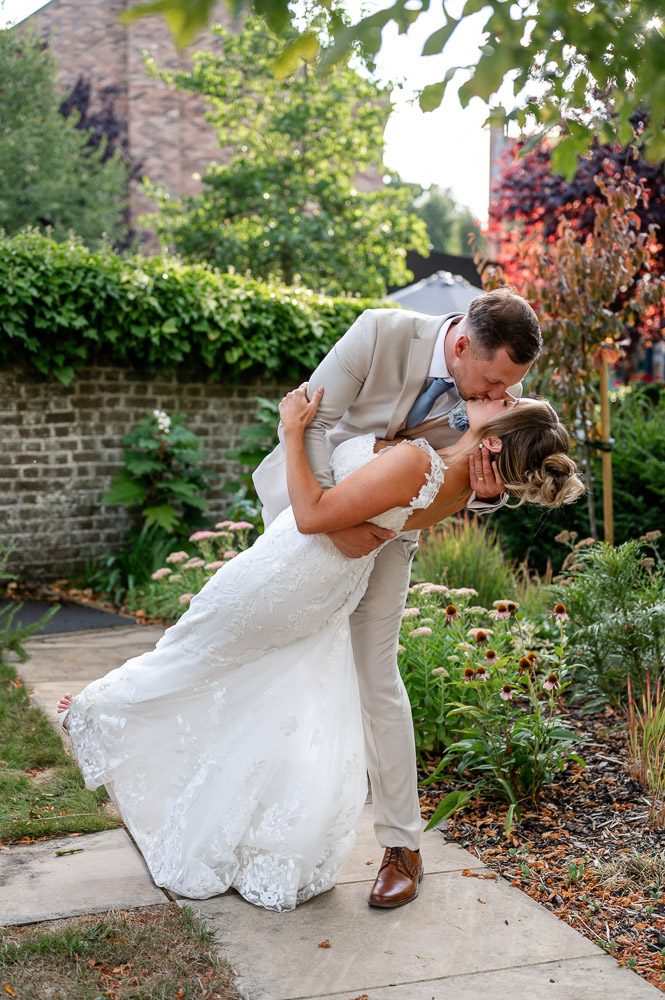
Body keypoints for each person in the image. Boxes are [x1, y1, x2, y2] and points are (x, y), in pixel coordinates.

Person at [57, 385, 583, 913]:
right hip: (327, 580)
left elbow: (310, 515)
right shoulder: (460, 484)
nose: (504, 394)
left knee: (193, 651)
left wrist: (290, 430)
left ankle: (96, 712)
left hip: (290, 571)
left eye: (509, 404)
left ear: (493, 444)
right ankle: (229, 814)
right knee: (244, 675)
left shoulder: (417, 464)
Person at [252, 288, 544, 907]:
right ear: (462, 345)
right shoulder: (378, 334)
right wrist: (335, 523)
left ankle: (403, 847)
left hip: (394, 534)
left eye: (508, 389)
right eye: (492, 384)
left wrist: (488, 491)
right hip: (310, 516)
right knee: (277, 658)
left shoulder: (493, 390)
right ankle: (261, 816)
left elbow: (494, 459)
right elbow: (314, 422)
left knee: (376, 677)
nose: (498, 399)